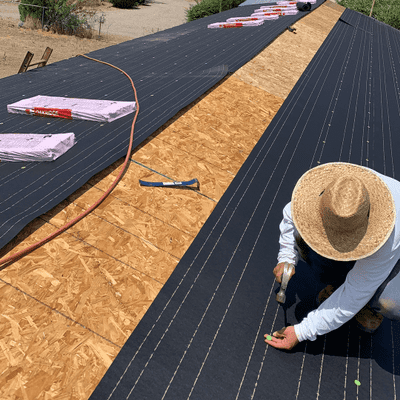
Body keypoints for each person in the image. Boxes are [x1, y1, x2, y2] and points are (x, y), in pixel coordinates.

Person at [264, 162, 400, 350]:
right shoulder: (338, 192)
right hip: (366, 237)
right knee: (303, 238)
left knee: (392, 302)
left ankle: (369, 306)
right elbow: (291, 216)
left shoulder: (388, 237)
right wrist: (286, 258)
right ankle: (339, 284)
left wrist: (303, 331)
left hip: (395, 256)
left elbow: (356, 293)